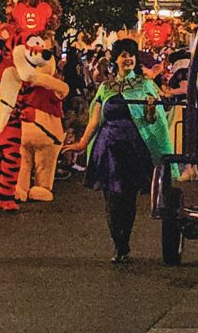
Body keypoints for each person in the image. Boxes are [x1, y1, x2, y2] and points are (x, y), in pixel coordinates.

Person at [62, 39, 174, 263]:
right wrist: (82, 144)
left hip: (133, 148)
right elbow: (95, 120)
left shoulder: (146, 85)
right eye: (123, 55)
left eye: (131, 55)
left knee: (129, 199)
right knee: (112, 199)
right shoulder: (105, 88)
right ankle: (119, 244)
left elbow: (153, 121)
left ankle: (125, 240)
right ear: (116, 59)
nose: (128, 59)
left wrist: (151, 109)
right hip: (109, 149)